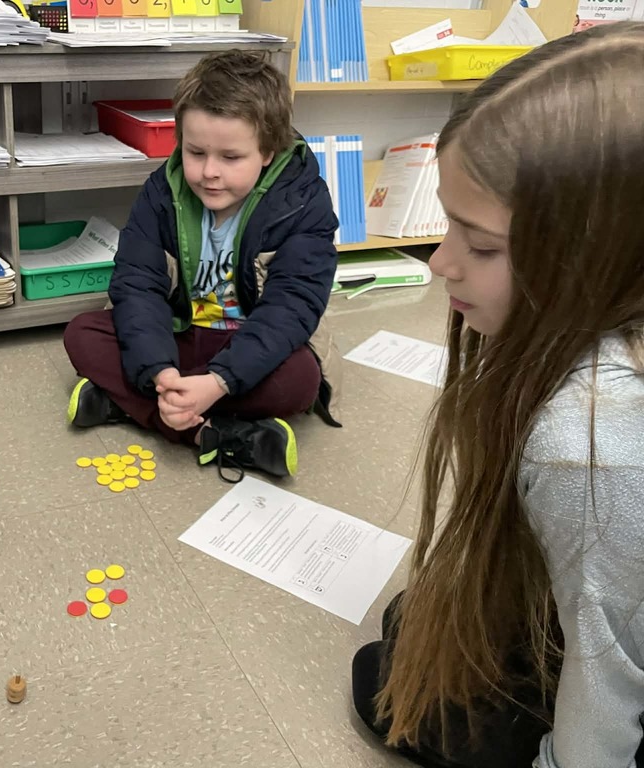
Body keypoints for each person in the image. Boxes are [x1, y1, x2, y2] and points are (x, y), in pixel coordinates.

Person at [351, 23, 644, 768]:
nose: (441, 262)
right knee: (412, 619)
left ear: (588, 252)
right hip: (613, 602)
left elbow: (609, 687)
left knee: (386, 684)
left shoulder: (589, 446)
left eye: (479, 245)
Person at [63, 50, 339, 483]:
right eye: (195, 152)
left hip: (247, 342)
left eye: (231, 158)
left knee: (301, 380)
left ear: (267, 151)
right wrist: (160, 370)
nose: (209, 172)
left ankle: (130, 403)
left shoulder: (303, 201)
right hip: (179, 334)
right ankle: (214, 434)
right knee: (82, 333)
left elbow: (293, 307)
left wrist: (219, 381)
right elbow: (136, 285)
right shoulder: (161, 192)